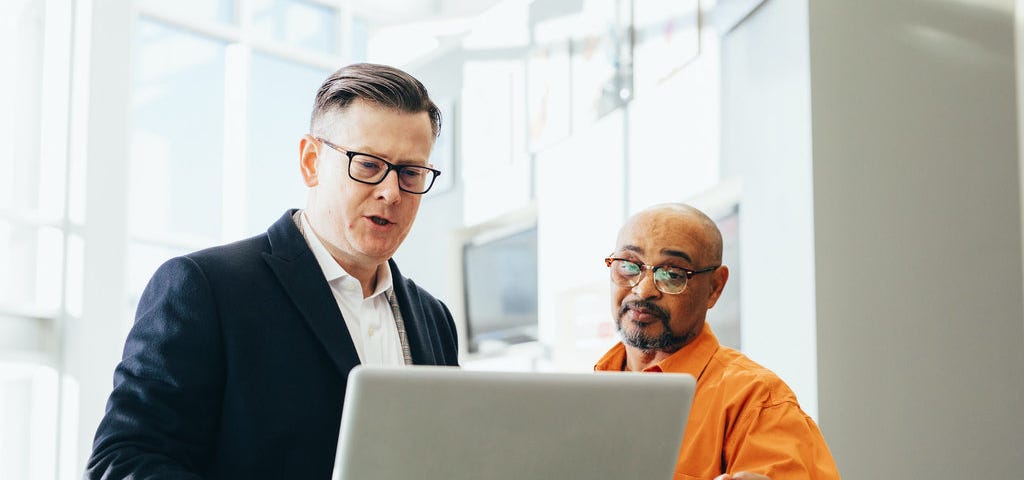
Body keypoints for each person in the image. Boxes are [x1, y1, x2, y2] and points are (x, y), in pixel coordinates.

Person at [86, 63, 459, 479]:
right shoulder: (205, 289)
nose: (391, 192)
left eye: (410, 173)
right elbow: (123, 464)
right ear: (311, 161)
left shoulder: (434, 318)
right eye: (368, 165)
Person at [595, 203, 840, 479]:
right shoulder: (587, 394)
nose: (643, 289)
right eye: (629, 266)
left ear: (714, 288)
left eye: (672, 274)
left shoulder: (757, 401)